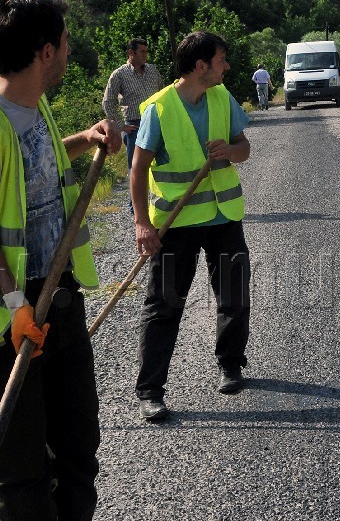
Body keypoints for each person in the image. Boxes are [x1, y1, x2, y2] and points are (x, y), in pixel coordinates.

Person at [0, 0, 121, 521]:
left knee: (79, 447)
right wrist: (16, 302)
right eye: (64, 44)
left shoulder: (30, 108)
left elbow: (31, 172)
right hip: (5, 323)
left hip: (58, 302)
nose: (67, 52)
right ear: (44, 52)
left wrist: (85, 138)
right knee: (21, 473)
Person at [132, 31, 252, 422]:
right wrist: (141, 224)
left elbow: (244, 148)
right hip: (175, 224)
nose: (227, 66)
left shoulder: (221, 97)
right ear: (200, 66)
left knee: (233, 294)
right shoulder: (159, 110)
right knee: (164, 304)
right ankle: (150, 390)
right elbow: (137, 170)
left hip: (222, 219)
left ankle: (231, 364)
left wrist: (230, 152)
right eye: (221, 60)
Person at [101, 38, 163, 212]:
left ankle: (161, 201)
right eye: (142, 51)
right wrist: (121, 126)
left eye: (146, 51)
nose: (145, 55)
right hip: (135, 125)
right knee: (136, 166)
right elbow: (107, 101)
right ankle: (135, 206)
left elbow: (164, 93)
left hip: (157, 122)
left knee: (161, 162)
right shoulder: (119, 74)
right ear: (131, 53)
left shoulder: (153, 71)